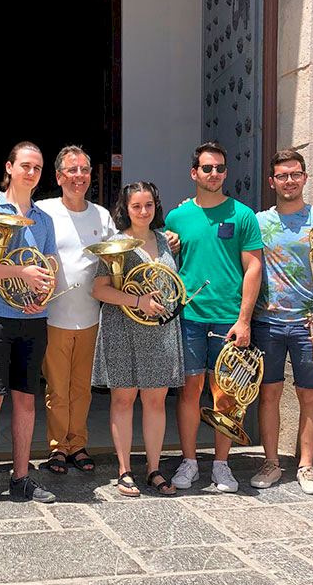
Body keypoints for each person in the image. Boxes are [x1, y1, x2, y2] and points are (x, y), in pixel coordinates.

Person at [165, 142, 263, 492]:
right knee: (190, 391)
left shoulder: (243, 215)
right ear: (194, 173)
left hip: (229, 319)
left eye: (220, 168)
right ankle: (189, 462)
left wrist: (244, 320)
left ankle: (222, 464)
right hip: (189, 316)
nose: (214, 174)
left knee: (227, 394)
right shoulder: (175, 218)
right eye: (207, 168)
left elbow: (254, 268)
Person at [250, 148, 313, 495]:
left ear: (304, 177)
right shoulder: (258, 222)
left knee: (310, 394)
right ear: (272, 181)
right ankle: (271, 463)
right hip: (267, 322)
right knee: (269, 394)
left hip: (310, 323)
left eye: (295, 174)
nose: (289, 181)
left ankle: (306, 465)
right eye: (282, 176)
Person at [0, 142, 58, 514]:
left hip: (32, 318)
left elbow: (49, 268)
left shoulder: (44, 219)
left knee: (26, 400)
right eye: (25, 166)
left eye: (37, 167)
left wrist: (43, 292)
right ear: (9, 167)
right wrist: (21, 272)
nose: (31, 173)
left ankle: (21, 478)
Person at [92, 181, 185, 495]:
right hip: (123, 328)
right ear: (126, 209)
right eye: (136, 206)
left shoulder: (166, 240)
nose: (143, 211)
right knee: (123, 400)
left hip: (159, 330)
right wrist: (137, 301)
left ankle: (154, 469)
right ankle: (124, 470)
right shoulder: (115, 243)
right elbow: (99, 289)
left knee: (155, 402)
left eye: (148, 205)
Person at [35, 145, 117, 475]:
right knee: (57, 389)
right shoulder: (42, 210)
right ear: (58, 177)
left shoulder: (102, 215)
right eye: (72, 170)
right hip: (54, 315)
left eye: (84, 170)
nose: (79, 176)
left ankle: (78, 444)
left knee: (82, 388)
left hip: (91, 316)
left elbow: (118, 255)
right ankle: (58, 447)